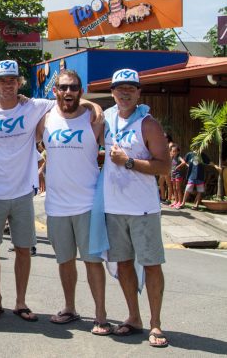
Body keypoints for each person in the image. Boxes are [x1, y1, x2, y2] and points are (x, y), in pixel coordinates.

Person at [0, 60, 101, 320]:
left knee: (23, 249)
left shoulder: (35, 106)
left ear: (19, 83)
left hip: (23, 192)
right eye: (2, 80)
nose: (8, 84)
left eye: (12, 80)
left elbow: (74, 102)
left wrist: (93, 104)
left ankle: (21, 302)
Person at [36, 69, 110, 335]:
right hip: (56, 205)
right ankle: (70, 307)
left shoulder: (94, 120)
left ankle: (100, 314)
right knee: (64, 260)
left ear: (81, 90)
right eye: (63, 87)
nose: (68, 92)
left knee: (92, 261)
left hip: (88, 204)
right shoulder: (44, 119)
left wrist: (93, 104)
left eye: (74, 87)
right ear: (55, 90)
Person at [103, 68, 170, 347]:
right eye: (120, 88)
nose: (125, 92)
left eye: (131, 87)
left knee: (152, 265)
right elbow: (81, 105)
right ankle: (134, 317)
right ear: (112, 92)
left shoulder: (148, 124)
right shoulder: (106, 118)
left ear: (139, 92)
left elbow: (165, 166)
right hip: (113, 207)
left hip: (143, 209)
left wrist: (128, 162)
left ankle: (155, 323)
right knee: (123, 264)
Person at [168, 144, 186, 209]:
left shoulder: (179, 157)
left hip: (178, 174)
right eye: (173, 151)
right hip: (173, 175)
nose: (174, 152)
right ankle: (176, 201)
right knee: (174, 188)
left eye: (175, 151)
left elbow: (183, 162)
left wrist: (178, 166)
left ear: (178, 152)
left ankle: (180, 202)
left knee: (178, 189)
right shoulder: (172, 158)